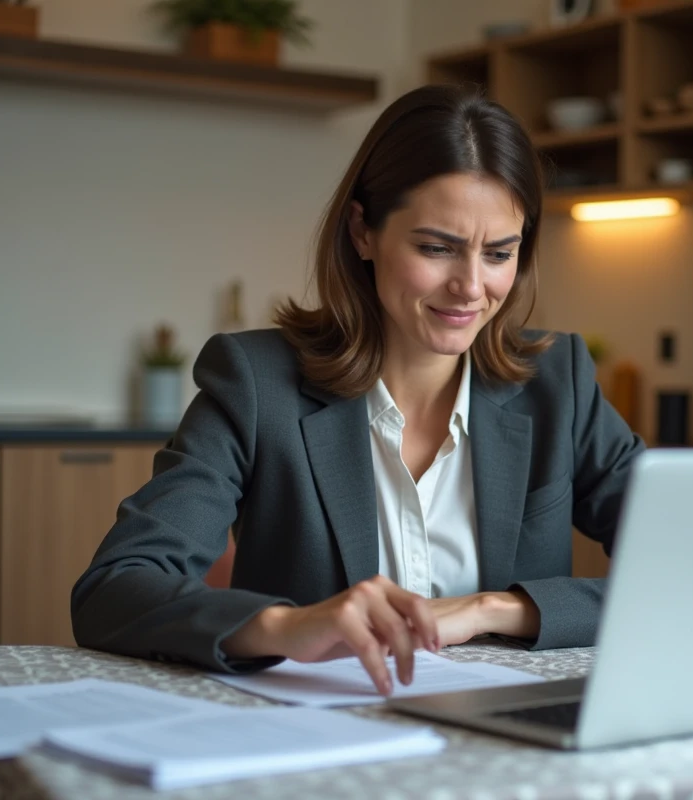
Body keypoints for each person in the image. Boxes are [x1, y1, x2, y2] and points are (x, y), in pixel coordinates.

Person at [71, 84, 644, 696]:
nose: (471, 287)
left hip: (512, 743)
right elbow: (114, 587)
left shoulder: (560, 386)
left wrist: (497, 609)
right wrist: (284, 626)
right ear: (362, 231)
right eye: (435, 248)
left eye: (499, 253)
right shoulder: (257, 385)